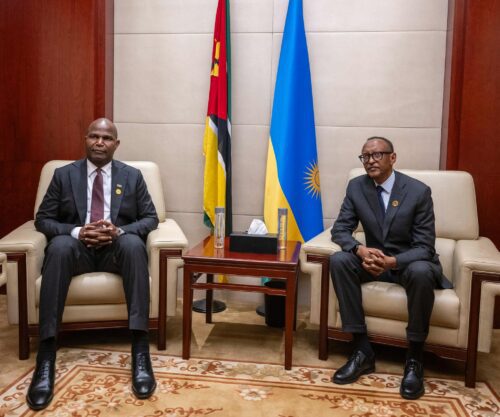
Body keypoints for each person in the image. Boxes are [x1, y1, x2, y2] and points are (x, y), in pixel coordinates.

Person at [26, 118, 159, 410]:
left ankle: (140, 349)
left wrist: (119, 231)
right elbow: (43, 219)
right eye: (94, 136)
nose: (100, 142)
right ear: (85, 139)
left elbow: (150, 218)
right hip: (78, 251)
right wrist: (77, 231)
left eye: (107, 138)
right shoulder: (63, 175)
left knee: (134, 245)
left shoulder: (132, 176)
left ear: (116, 144)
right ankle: (46, 354)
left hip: (115, 250)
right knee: (59, 246)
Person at [329, 136, 452, 400]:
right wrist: (360, 250)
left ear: (392, 158)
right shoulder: (357, 187)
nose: (370, 161)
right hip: (374, 261)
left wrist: (392, 261)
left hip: (409, 263)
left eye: (377, 155)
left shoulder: (418, 191)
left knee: (421, 271)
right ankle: (362, 350)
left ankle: (414, 358)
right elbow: (340, 229)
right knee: (339, 260)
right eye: (365, 156)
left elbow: (425, 247)